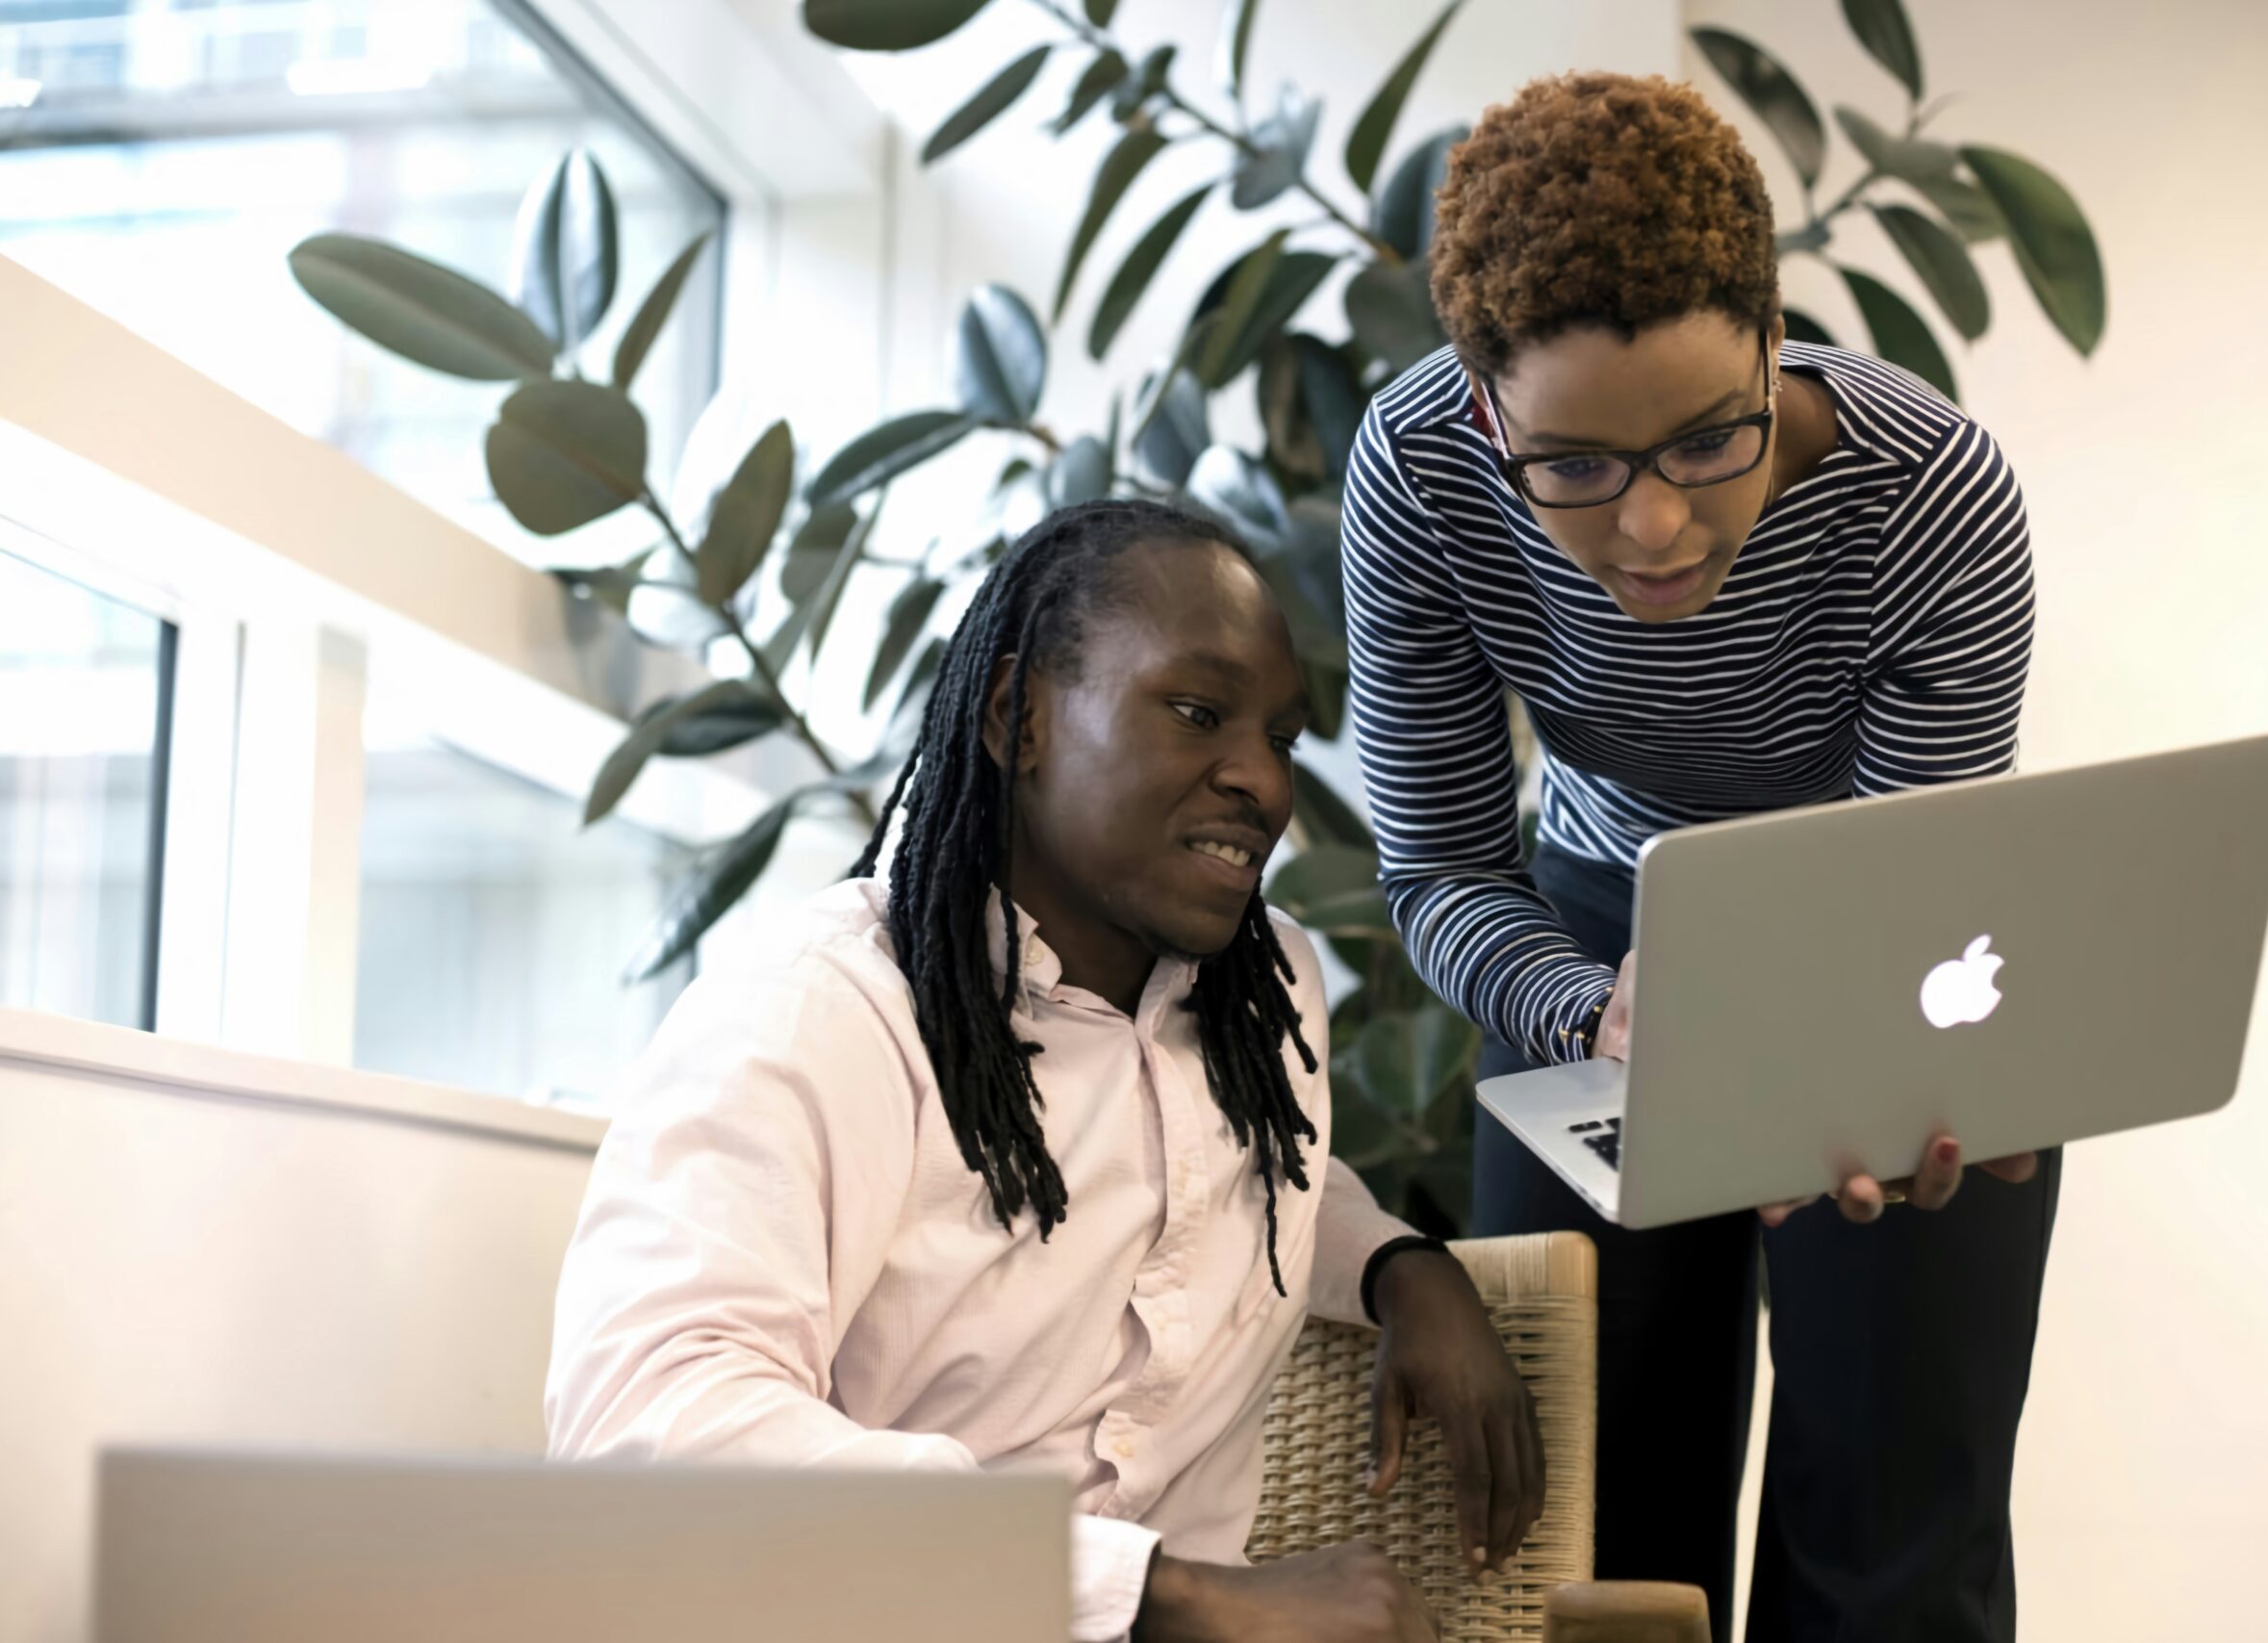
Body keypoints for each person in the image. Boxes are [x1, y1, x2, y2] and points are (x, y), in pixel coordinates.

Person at [546, 500, 1545, 1643]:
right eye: (1197, 712)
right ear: (1018, 717)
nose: (1262, 786)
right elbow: (647, 1421)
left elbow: (1255, 1172)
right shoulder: (822, 1010)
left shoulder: (1264, 997)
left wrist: (1404, 1269)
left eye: (1280, 737)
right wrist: (1158, 1593)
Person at [1338, 72, 2058, 1642]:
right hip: (1601, 934)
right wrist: (1594, 1006)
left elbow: (1896, 880)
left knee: (1896, 1535)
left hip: (1891, 932)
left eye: (1707, 439)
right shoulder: (1418, 477)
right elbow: (1443, 869)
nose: (1654, 527)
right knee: (1590, 1521)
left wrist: (1840, 1055)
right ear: (1485, 418)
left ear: (1772, 343)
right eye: (1577, 467)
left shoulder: (1934, 499)